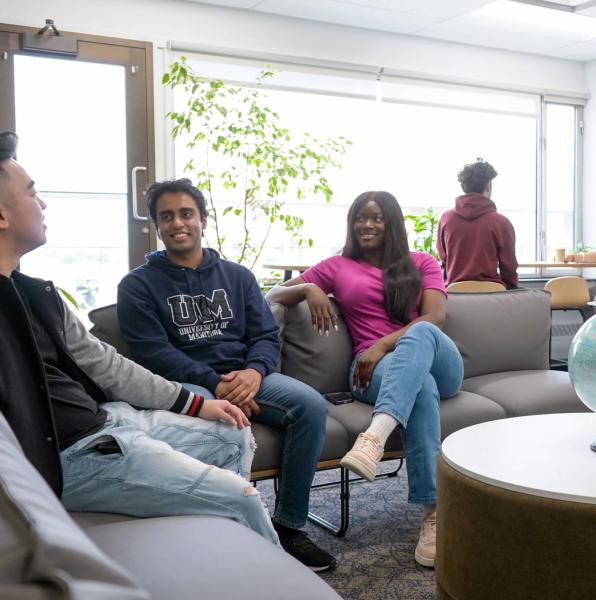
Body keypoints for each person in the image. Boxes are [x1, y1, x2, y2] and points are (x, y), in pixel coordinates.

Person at [0, 132, 281, 547]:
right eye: (32, 193)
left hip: (111, 419)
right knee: (241, 499)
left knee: (232, 430)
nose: (43, 204)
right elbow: (155, 353)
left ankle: (216, 545)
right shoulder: (138, 285)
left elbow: (107, 365)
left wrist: (200, 403)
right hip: (73, 454)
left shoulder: (37, 294)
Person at [115, 179, 335, 571]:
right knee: (220, 423)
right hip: (185, 382)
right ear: (156, 224)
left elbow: (265, 334)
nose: (177, 223)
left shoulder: (237, 276)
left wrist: (253, 372)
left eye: (186, 213)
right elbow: (155, 353)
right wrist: (218, 385)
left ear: (202, 218)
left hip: (247, 375)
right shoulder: (137, 286)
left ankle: (288, 526)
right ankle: (219, 529)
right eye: (166, 216)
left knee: (311, 405)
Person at [267, 191, 463, 568]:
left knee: (420, 334)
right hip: (372, 372)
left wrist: (382, 344)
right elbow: (274, 294)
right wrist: (308, 287)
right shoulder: (338, 267)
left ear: (391, 222)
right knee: (420, 388)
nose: (366, 225)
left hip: (434, 358)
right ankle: (433, 515)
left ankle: (374, 437)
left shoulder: (421, 262)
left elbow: (435, 315)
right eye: (359, 217)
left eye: (375, 218)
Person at [437, 158, 518, 288]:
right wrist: (510, 289)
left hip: (455, 294)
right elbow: (509, 267)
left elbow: (444, 260)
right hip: (492, 296)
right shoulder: (501, 222)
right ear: (488, 186)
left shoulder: (446, 219)